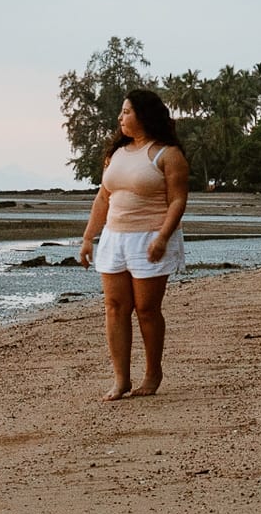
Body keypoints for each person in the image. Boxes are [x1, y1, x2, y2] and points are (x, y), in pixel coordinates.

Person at [77, 89, 190, 400]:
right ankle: (121, 379)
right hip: (114, 238)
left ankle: (153, 373)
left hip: (150, 237)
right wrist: (88, 238)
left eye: (126, 112)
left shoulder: (168, 154)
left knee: (147, 310)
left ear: (144, 115)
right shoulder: (116, 154)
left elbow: (178, 201)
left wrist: (163, 237)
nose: (120, 117)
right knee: (114, 308)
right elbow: (103, 198)